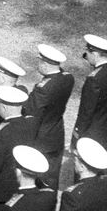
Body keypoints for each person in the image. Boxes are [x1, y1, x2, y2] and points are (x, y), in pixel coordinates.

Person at [25, 44, 74, 181]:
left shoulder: (43, 89)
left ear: (45, 64)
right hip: (56, 134)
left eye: (40, 62)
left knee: (37, 179)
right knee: (51, 179)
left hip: (41, 140)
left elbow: (32, 115)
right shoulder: (68, 78)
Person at [71, 34, 107, 151]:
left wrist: (75, 138)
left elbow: (86, 112)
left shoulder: (93, 80)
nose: (86, 57)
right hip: (105, 132)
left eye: (87, 54)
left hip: (90, 135)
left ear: (94, 54)